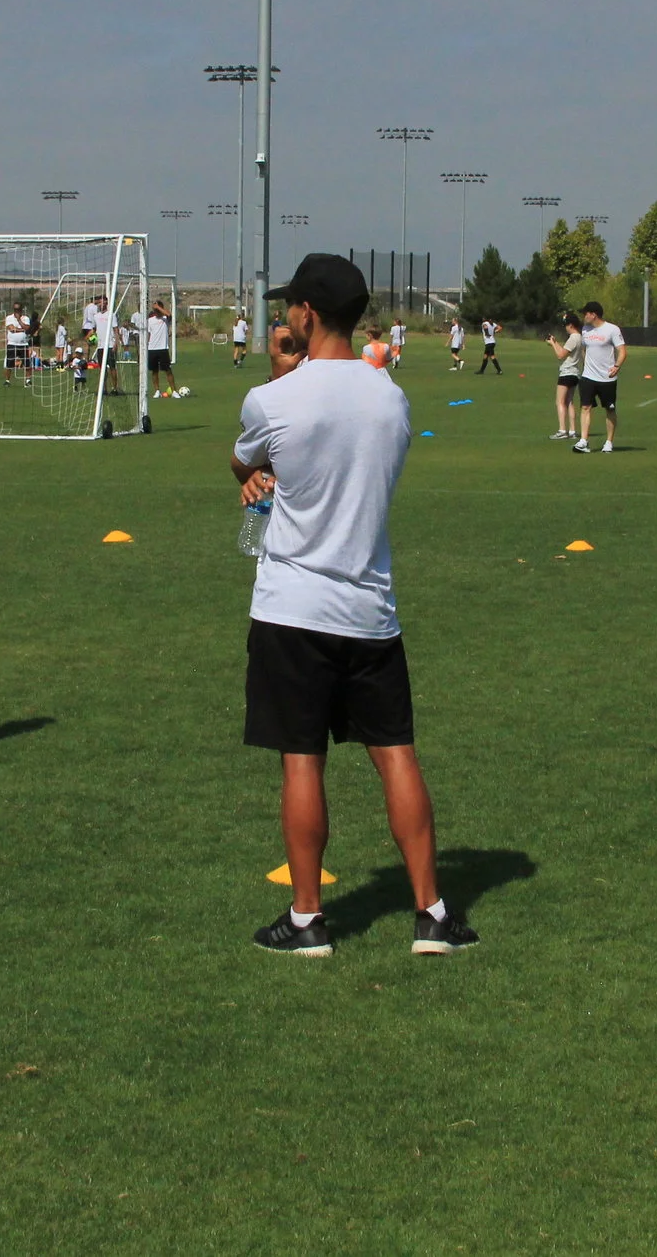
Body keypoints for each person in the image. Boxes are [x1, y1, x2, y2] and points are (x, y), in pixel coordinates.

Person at [233, 253, 476, 958]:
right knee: (396, 753)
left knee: (302, 759)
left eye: (288, 310)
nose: (282, 318)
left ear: (307, 313)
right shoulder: (390, 396)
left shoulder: (272, 398)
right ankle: (432, 912)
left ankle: (308, 919)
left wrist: (280, 385)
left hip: (292, 607)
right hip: (370, 606)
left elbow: (246, 461)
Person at [569, 301, 626, 454]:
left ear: (593, 314)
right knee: (585, 407)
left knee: (609, 409)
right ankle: (583, 441)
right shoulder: (585, 330)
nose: (583, 316)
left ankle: (609, 442)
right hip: (588, 377)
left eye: (585, 313)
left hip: (607, 378)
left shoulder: (612, 329)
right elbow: (584, 350)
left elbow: (622, 351)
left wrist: (617, 366)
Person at [544, 313, 581, 436]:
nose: (565, 328)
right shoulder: (580, 337)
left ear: (571, 325)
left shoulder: (573, 338)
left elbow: (560, 355)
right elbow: (565, 352)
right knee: (569, 402)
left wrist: (553, 344)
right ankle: (572, 430)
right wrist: (555, 342)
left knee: (559, 402)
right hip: (575, 372)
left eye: (566, 325)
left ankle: (562, 430)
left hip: (566, 373)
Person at [147, 301, 175, 396]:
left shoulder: (165, 319)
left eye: (158, 308)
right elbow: (149, 334)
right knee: (154, 371)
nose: (156, 311)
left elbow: (169, 314)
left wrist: (159, 307)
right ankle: (157, 391)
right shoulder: (150, 320)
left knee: (168, 370)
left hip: (163, 348)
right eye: (155, 309)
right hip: (152, 348)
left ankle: (174, 391)